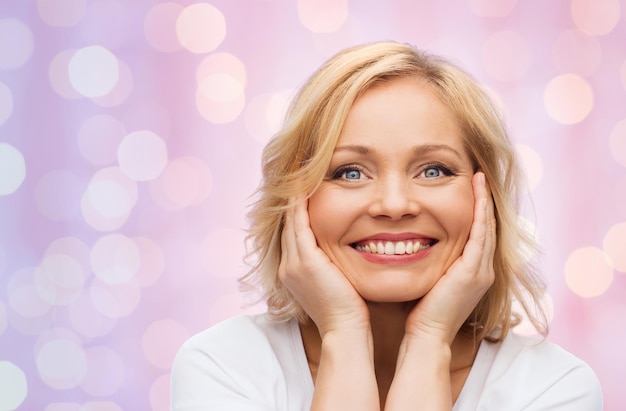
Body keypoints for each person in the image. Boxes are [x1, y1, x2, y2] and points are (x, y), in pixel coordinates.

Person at [170, 41, 603, 410]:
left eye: (433, 170)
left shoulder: (553, 388)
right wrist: (343, 333)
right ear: (294, 200)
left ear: (484, 198)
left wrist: (429, 342)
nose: (394, 205)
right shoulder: (223, 367)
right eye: (350, 172)